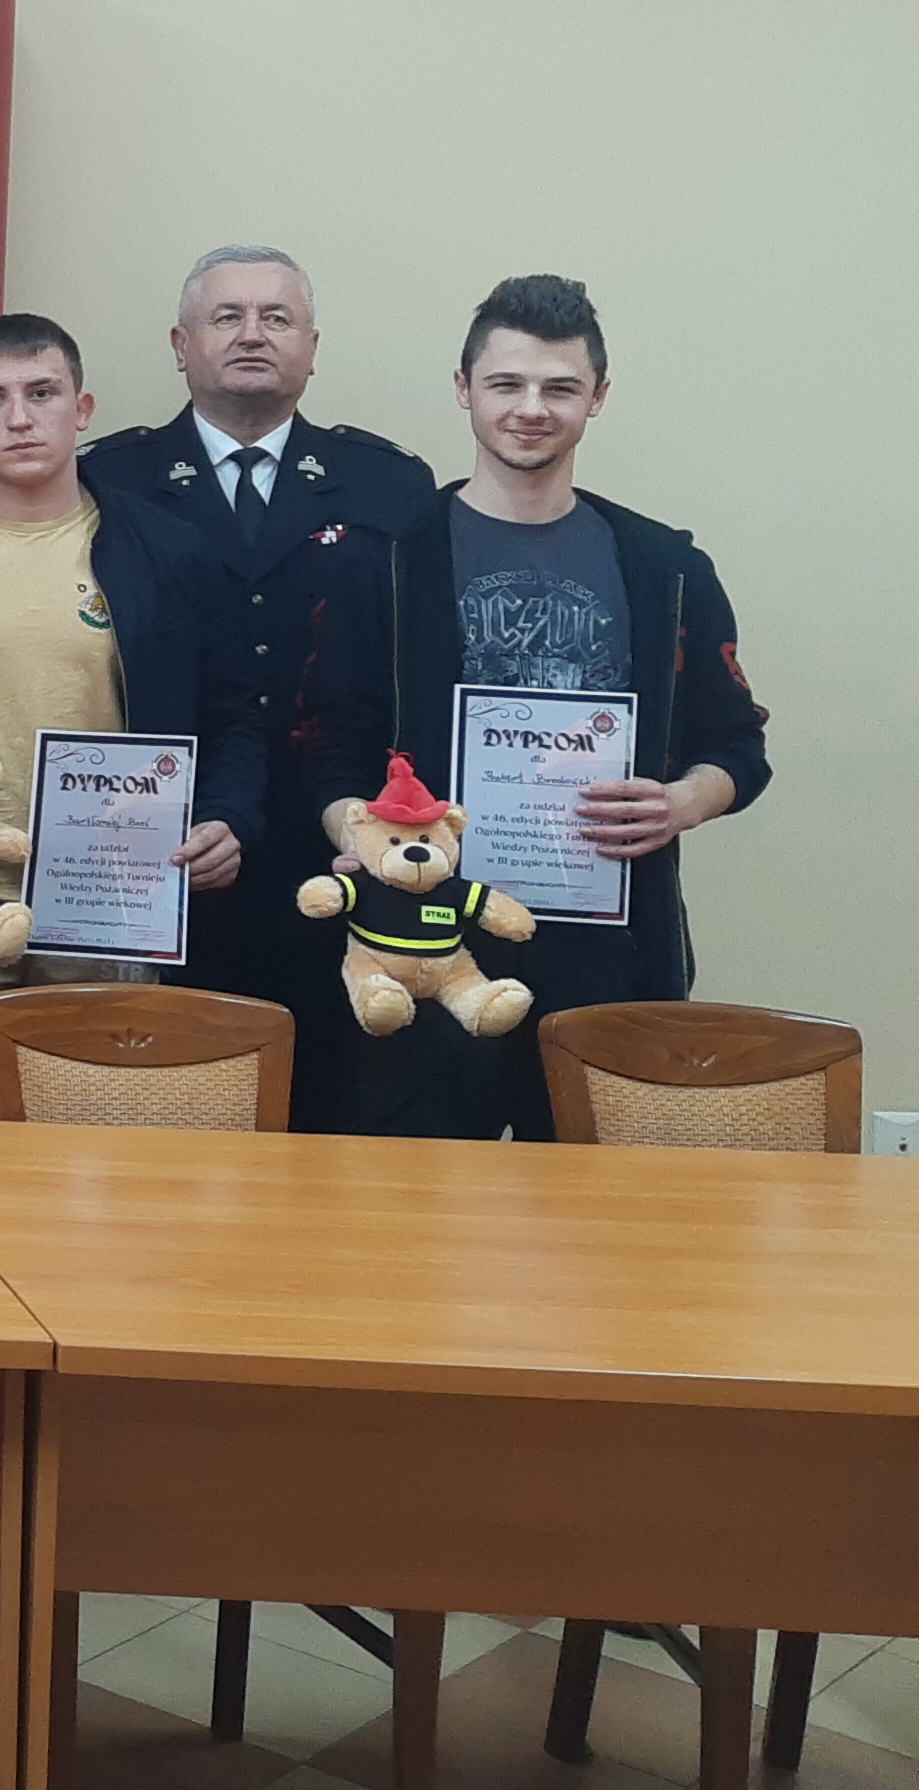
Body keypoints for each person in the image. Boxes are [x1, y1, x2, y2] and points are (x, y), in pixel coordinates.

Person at [307, 276, 769, 1141]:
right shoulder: (388, 560)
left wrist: (681, 801)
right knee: (419, 1198)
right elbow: (328, 747)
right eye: (506, 383)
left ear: (597, 397)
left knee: (603, 1203)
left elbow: (737, 745)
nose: (531, 408)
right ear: (464, 389)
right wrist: (359, 837)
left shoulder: (665, 568)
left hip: (607, 947)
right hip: (426, 945)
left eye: (559, 387)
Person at [0, 315, 262, 1116]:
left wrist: (228, 815)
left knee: (88, 1154)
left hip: (105, 900)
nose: (20, 418)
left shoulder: (169, 549)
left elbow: (233, 713)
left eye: (42, 393)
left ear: (83, 408)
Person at [77, 244, 436, 1126]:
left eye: (277, 317)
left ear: (312, 347)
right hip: (166, 846)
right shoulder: (107, 479)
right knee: (159, 1099)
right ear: (180, 345)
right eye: (227, 316)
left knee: (336, 1105)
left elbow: (415, 666)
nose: (252, 334)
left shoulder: (389, 484)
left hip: (339, 845)